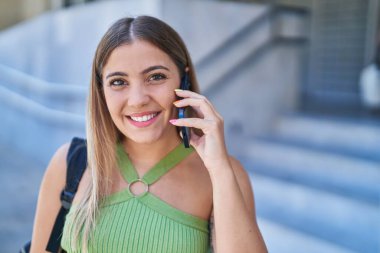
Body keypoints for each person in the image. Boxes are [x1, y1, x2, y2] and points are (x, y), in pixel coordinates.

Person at [30, 15, 267, 253]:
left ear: (183, 81)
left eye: (156, 77)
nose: (138, 100)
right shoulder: (70, 163)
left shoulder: (224, 174)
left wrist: (219, 169)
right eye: (118, 82)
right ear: (101, 89)